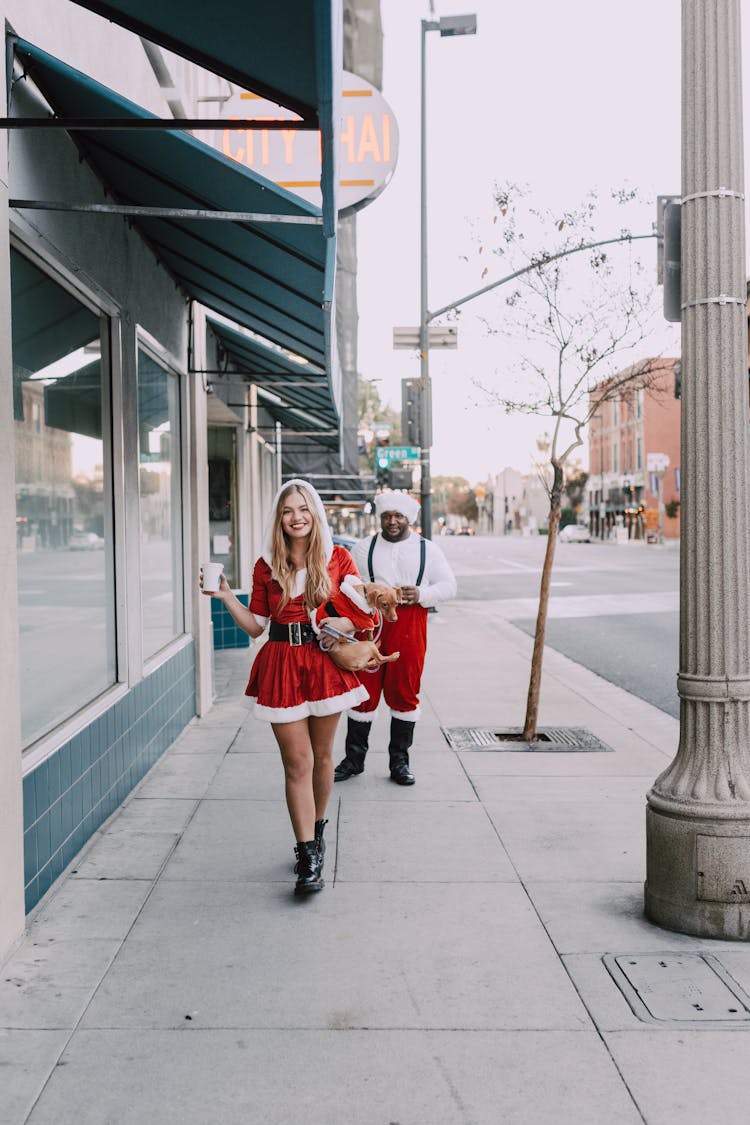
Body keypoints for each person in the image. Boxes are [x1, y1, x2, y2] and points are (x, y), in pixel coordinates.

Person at [201, 479, 372, 896]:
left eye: (302, 509)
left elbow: (364, 613)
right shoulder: (265, 565)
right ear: (279, 518)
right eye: (287, 511)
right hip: (280, 664)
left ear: (314, 513)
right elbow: (257, 627)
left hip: (323, 663)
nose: (295, 517)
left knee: (323, 757)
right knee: (296, 762)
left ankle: (316, 830)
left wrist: (343, 623)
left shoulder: (338, 558)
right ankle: (307, 853)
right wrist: (226, 596)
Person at [334, 490, 457, 786]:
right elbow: (346, 585)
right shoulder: (365, 548)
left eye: (398, 516)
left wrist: (423, 594)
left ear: (408, 519)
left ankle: (399, 762)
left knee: (405, 691)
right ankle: (354, 759)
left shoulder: (427, 549)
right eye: (387, 516)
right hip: (369, 625)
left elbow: (450, 586)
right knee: (363, 689)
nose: (392, 521)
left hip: (410, 625)